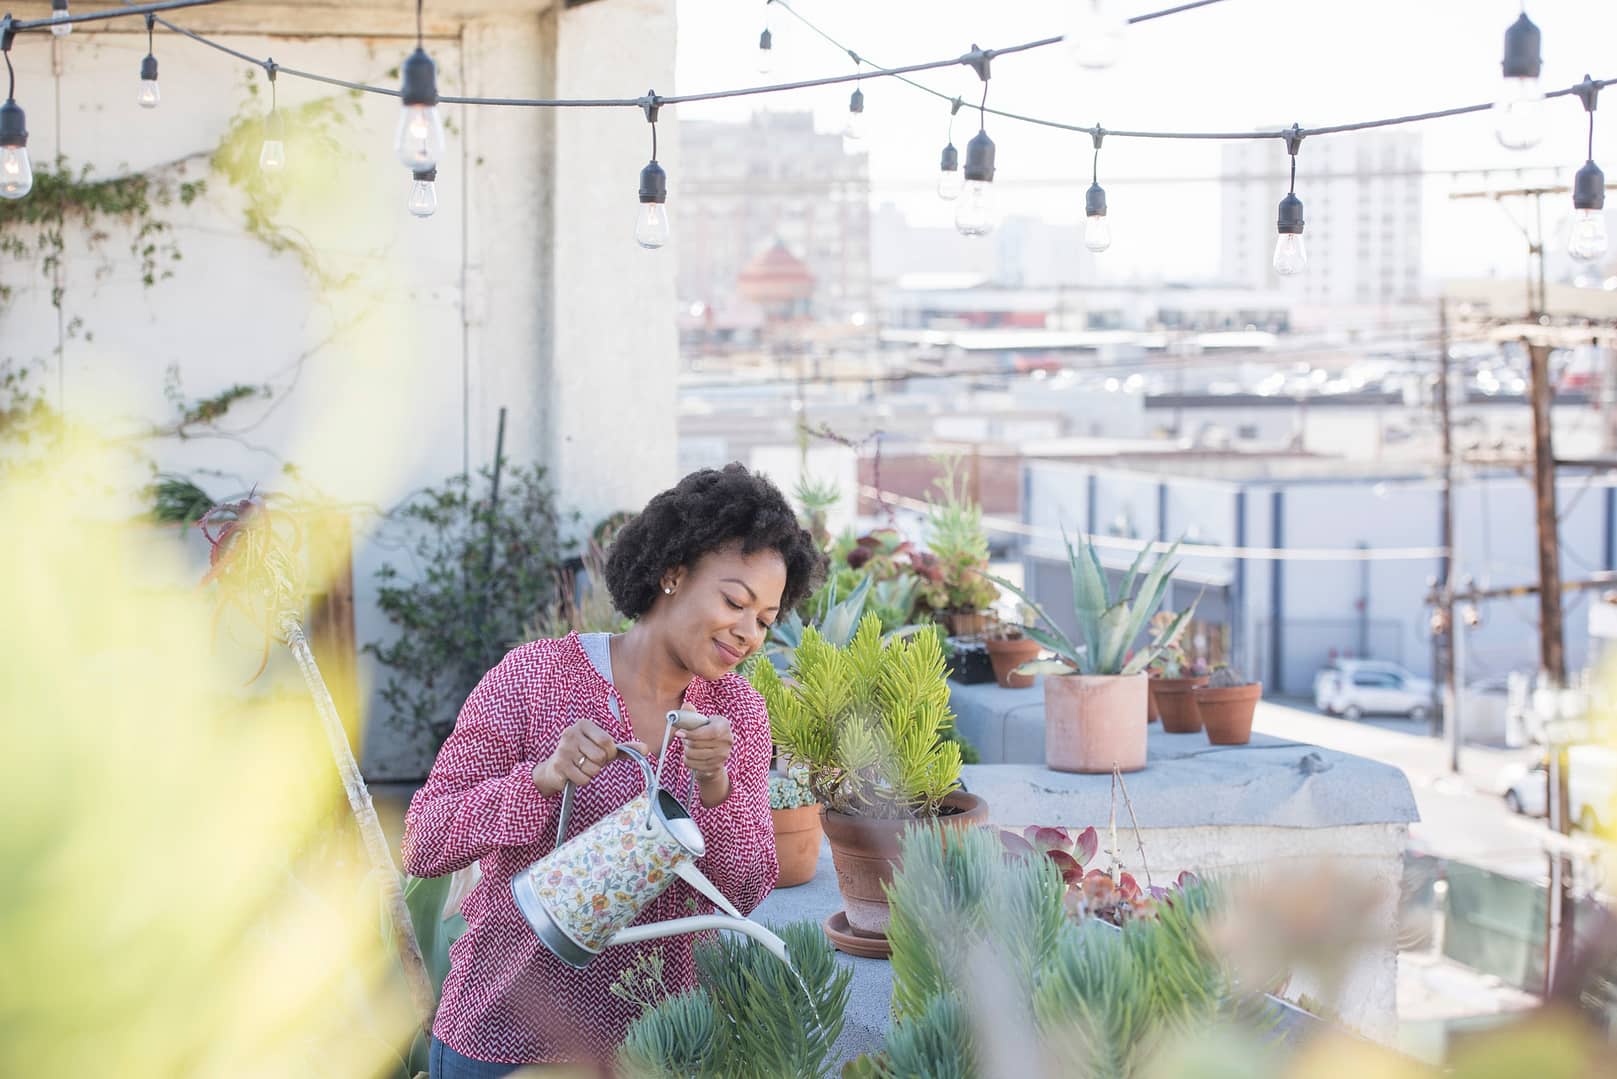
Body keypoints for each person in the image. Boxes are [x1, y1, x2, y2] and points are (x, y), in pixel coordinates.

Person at [403, 463, 825, 1075]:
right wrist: (542, 780)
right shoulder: (535, 677)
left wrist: (716, 786)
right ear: (673, 572)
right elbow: (425, 841)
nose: (747, 633)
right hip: (504, 1038)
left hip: (653, 1051)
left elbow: (741, 893)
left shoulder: (738, 713)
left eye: (764, 619)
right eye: (734, 601)